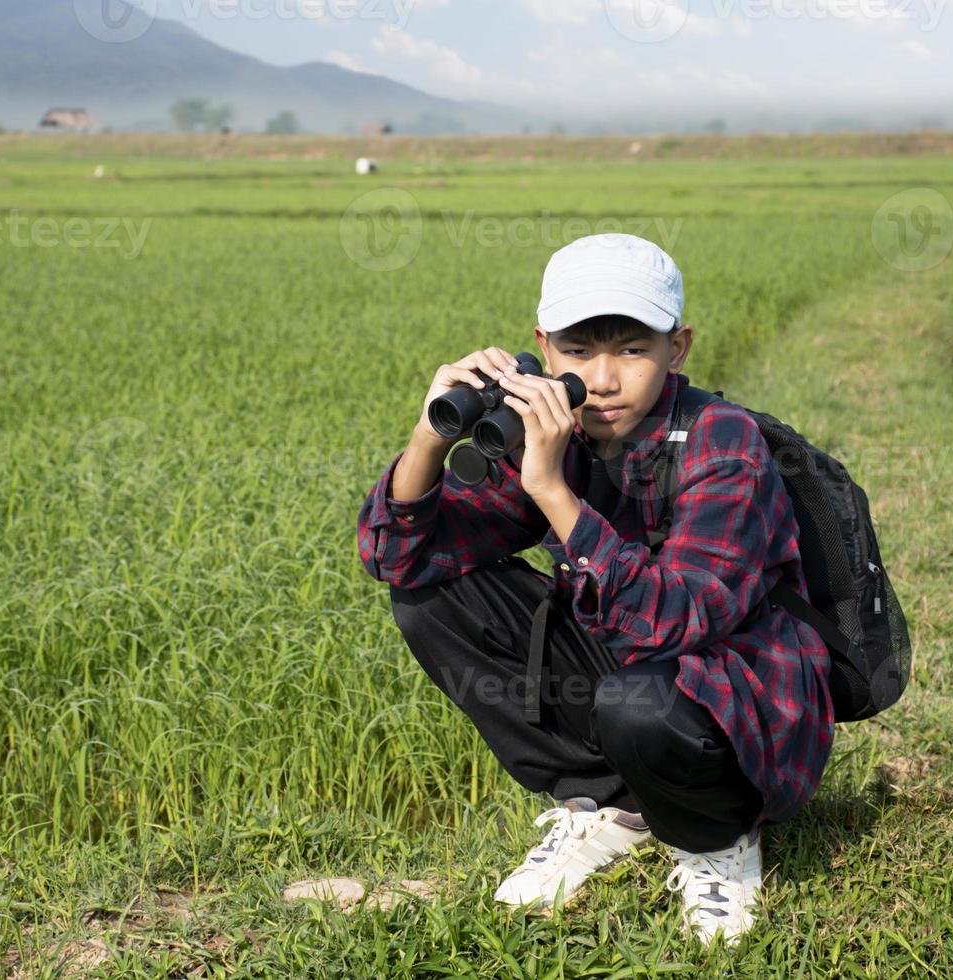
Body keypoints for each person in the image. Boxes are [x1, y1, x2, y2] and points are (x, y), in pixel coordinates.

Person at [355, 233, 834, 947]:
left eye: (632, 349)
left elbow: (673, 623)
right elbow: (399, 557)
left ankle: (716, 838)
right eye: (578, 353)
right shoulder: (557, 433)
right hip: (634, 676)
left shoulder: (722, 440)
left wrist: (550, 489)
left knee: (638, 698)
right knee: (430, 599)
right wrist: (429, 437)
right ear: (542, 349)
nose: (603, 380)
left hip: (739, 695)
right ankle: (608, 803)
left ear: (679, 348)